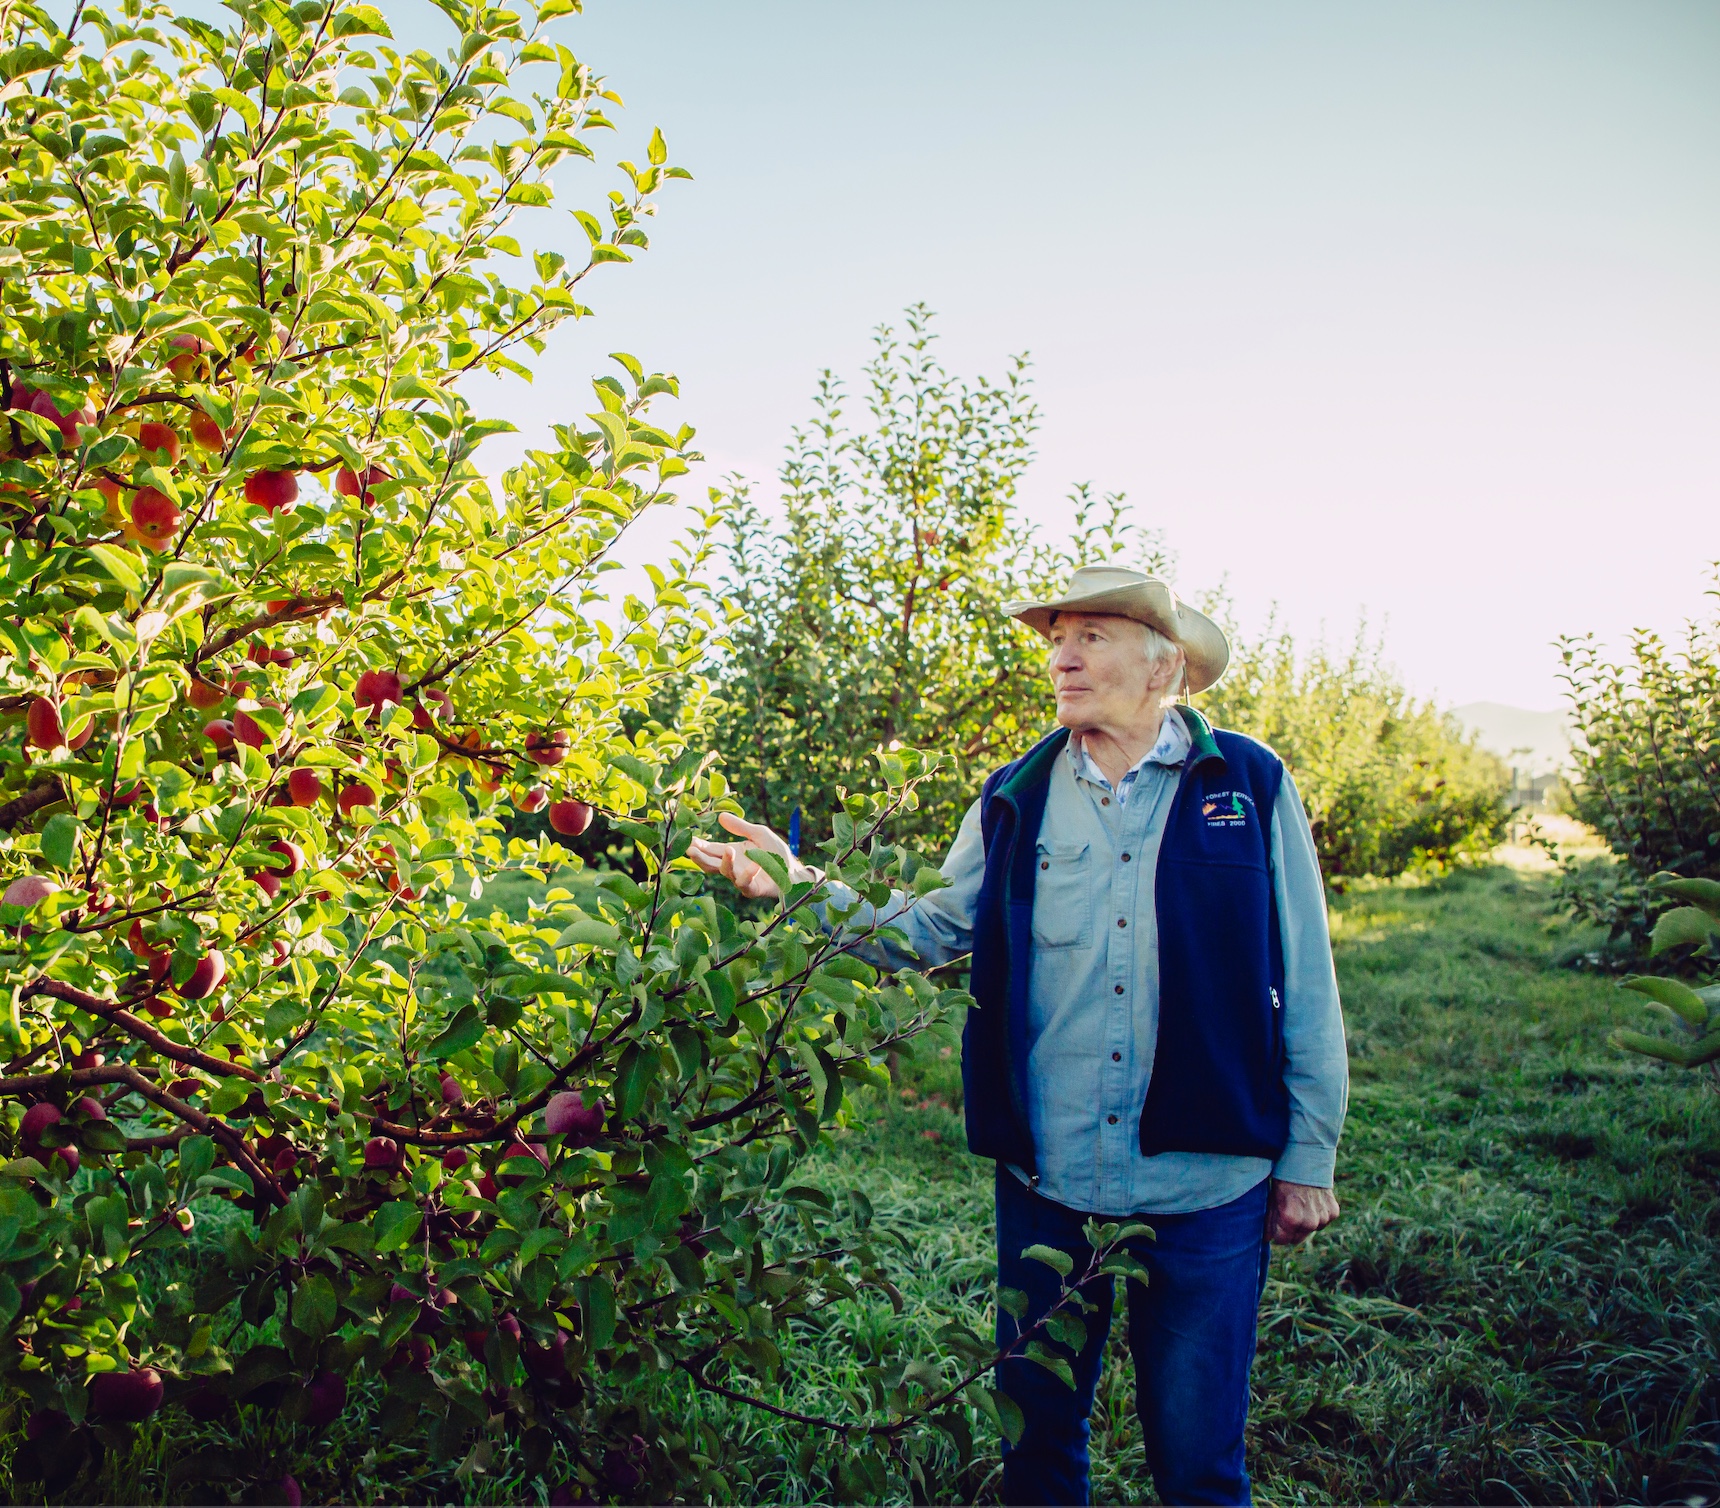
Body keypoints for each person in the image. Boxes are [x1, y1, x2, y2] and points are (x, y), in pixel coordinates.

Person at [688, 564, 1348, 1507]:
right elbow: (928, 928)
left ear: (1162, 668)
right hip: (1054, 1178)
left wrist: (1309, 1154)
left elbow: (1307, 971)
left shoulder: (1247, 783)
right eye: (1054, 639)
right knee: (1036, 1450)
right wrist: (793, 883)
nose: (1062, 657)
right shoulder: (1015, 795)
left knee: (1200, 1464)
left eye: (1090, 636)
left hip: (1207, 1182)